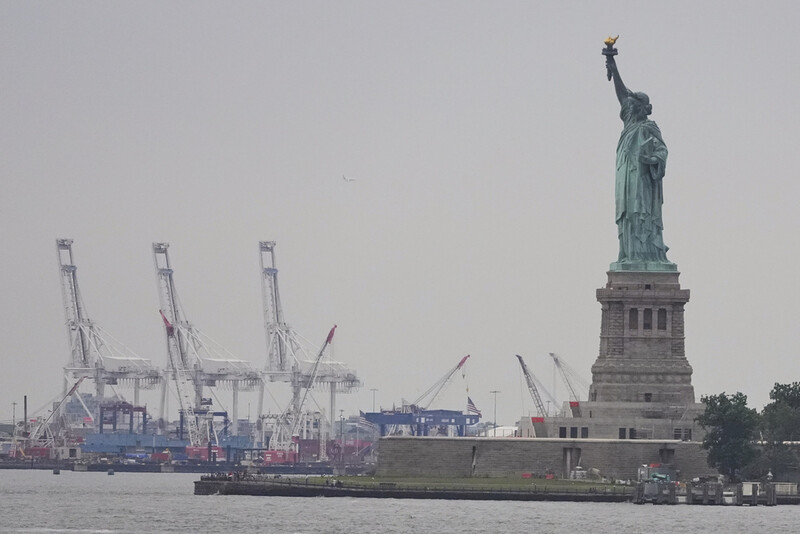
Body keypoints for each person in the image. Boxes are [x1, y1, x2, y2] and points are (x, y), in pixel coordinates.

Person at [606, 54, 672, 266]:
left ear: (643, 107)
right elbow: (621, 95)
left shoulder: (649, 128)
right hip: (625, 177)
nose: (630, 106)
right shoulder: (629, 125)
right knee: (627, 215)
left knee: (641, 212)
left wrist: (652, 158)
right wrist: (614, 69)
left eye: (634, 104)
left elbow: (662, 151)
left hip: (643, 179)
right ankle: (629, 254)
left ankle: (649, 254)